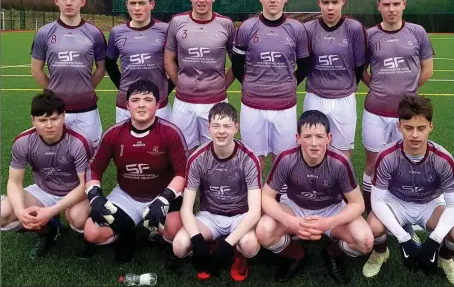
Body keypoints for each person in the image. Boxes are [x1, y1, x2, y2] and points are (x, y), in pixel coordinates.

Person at [256, 110, 373, 283]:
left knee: (365, 242)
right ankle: (298, 255)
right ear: (298, 138)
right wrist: (290, 221)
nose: (313, 143)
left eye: (319, 136)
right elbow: (266, 197)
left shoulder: (339, 162)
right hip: (294, 206)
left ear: (329, 138)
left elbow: (357, 204)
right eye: (307, 136)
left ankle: (331, 252)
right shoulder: (286, 159)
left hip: (331, 208)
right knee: (264, 231)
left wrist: (328, 223)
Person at [82, 79, 188, 264]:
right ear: (127, 104)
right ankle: (126, 233)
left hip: (161, 195)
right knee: (92, 232)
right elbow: (93, 168)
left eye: (148, 99)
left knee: (175, 228)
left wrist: (163, 200)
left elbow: (182, 172)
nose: (141, 105)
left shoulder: (171, 133)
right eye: (136, 99)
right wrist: (95, 196)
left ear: (157, 104)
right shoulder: (114, 133)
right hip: (127, 194)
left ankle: (157, 233)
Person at [363, 95, 454, 284]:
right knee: (373, 225)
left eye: (421, 128)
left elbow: (453, 205)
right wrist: (404, 239)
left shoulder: (444, 159)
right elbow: (377, 201)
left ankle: (445, 257)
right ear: (399, 127)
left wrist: (435, 240)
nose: (415, 135)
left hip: (429, 204)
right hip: (396, 202)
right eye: (408, 127)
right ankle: (381, 253)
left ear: (430, 126)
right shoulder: (387, 156)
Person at [360, 0, 434, 217]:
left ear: (404, 5)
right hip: (375, 111)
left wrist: (408, 92)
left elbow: (427, 70)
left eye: (396, 4)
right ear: (378, 6)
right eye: (386, 4)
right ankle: (369, 209)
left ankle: (401, 209)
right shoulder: (369, 35)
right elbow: (361, 70)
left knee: (405, 162)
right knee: (373, 164)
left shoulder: (417, 32)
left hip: (407, 115)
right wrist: (379, 88)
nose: (391, 9)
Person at [172, 102, 261, 282]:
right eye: (216, 125)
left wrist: (228, 245)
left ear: (236, 127)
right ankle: (208, 248)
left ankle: (237, 254)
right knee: (179, 247)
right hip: (210, 215)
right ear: (209, 127)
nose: (221, 131)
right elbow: (186, 208)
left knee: (249, 246)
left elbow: (254, 212)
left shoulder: (249, 158)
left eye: (227, 126)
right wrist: (197, 241)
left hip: (240, 215)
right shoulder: (197, 158)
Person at [231, 0, 311, 169]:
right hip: (252, 105)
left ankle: (280, 198)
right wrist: (252, 84)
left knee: (283, 159)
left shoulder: (297, 29)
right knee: (253, 160)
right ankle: (254, 199)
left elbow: (305, 65)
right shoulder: (247, 27)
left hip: (284, 106)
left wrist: (289, 84)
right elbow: (237, 65)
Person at [0, 90, 92, 257]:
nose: (49, 125)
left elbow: (84, 184)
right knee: (3, 213)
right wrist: (21, 212)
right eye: (42, 120)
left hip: (74, 191)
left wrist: (50, 211)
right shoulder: (23, 142)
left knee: (78, 216)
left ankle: (79, 238)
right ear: (33, 120)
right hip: (43, 190)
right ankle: (48, 230)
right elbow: (14, 183)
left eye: (54, 118)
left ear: (64, 117)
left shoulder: (79, 142)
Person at [164, 0, 235, 154]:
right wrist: (181, 84)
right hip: (183, 102)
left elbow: (237, 63)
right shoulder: (177, 22)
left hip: (216, 101)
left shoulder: (226, 24)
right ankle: (188, 184)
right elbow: (169, 59)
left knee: (215, 152)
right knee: (182, 151)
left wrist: (221, 85)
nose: (201, 0)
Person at [31, 0, 106, 148]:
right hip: (56, 110)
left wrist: (87, 87)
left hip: (87, 108)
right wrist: (52, 93)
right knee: (57, 156)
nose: (68, 3)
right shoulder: (44, 33)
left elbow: (101, 69)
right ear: (57, 1)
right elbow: (36, 69)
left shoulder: (94, 33)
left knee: (90, 153)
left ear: (82, 2)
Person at [303, 0, 366, 158]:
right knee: (313, 149)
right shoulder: (308, 29)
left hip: (344, 99)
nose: (330, 7)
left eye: (335, 2)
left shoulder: (354, 28)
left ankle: (341, 186)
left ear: (343, 2)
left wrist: (347, 84)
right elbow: (304, 64)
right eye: (326, 2)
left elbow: (360, 64)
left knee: (343, 152)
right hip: (315, 97)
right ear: (319, 3)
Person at [106, 0, 172, 123]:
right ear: (126, 5)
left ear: (152, 4)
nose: (137, 8)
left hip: (159, 104)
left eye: (142, 3)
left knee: (161, 144)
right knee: (125, 144)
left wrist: (167, 88)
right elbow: (109, 63)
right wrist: (123, 87)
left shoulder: (165, 30)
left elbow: (176, 62)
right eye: (133, 3)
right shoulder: (117, 32)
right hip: (126, 105)